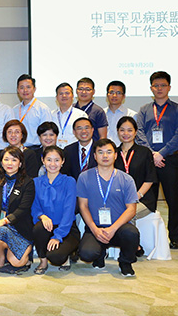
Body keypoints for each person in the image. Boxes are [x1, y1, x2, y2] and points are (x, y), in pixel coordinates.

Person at [135, 71, 178, 250]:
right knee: (148, 200)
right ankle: (146, 237)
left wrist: (161, 154)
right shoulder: (144, 109)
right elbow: (139, 133)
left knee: (173, 199)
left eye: (163, 85)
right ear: (151, 88)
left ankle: (175, 236)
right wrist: (152, 154)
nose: (159, 88)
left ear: (169, 87)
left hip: (169, 160)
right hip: (148, 160)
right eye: (156, 86)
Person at [77, 139, 140, 277]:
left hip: (119, 228)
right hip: (95, 227)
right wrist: (95, 229)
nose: (105, 156)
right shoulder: (84, 177)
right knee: (86, 254)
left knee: (132, 233)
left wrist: (112, 229)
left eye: (109, 152)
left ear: (115, 155)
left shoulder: (126, 179)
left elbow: (131, 209)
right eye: (100, 152)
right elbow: (83, 206)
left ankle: (125, 262)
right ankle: (100, 254)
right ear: (94, 156)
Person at [31, 146, 79, 274]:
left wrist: (58, 236)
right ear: (43, 160)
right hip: (47, 226)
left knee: (56, 257)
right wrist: (42, 216)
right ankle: (43, 261)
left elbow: (69, 211)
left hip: (66, 228)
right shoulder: (36, 182)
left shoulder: (69, 181)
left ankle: (68, 254)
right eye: (49, 160)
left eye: (57, 160)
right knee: (38, 228)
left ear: (63, 161)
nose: (53, 164)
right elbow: (34, 206)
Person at [0, 146, 35, 274]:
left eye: (14, 160)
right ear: (1, 162)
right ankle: (1, 255)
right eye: (6, 159)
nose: (10, 163)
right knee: (0, 230)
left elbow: (23, 209)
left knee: (17, 262)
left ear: (20, 163)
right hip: (0, 226)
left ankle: (21, 253)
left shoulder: (27, 182)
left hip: (20, 227)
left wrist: (3, 221)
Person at [116, 116, 158, 220]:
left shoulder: (144, 152)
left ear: (135, 132)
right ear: (117, 131)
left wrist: (136, 196)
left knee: (126, 215)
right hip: (119, 199)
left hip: (142, 199)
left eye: (130, 130)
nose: (126, 133)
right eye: (122, 130)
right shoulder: (114, 153)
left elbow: (150, 179)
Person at [13, 74, 52, 150]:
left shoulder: (42, 109)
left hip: (35, 149)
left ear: (34, 89)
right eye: (22, 87)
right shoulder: (14, 109)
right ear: (18, 90)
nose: (25, 90)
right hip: (17, 149)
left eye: (28, 87)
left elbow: (47, 133)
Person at [72, 77, 109, 142]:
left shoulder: (98, 111)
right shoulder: (71, 109)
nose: (84, 92)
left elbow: (103, 137)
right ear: (76, 91)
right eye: (80, 89)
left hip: (92, 147)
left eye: (88, 89)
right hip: (72, 146)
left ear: (93, 92)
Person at [52, 83, 88, 148]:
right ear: (56, 97)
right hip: (55, 151)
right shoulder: (51, 115)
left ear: (72, 96)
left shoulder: (81, 115)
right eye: (61, 94)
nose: (64, 96)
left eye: (67, 93)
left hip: (73, 150)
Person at [104, 80, 137, 146]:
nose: (114, 95)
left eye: (118, 93)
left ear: (124, 96)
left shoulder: (131, 115)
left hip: (124, 150)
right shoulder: (101, 114)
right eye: (111, 92)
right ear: (107, 95)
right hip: (105, 150)